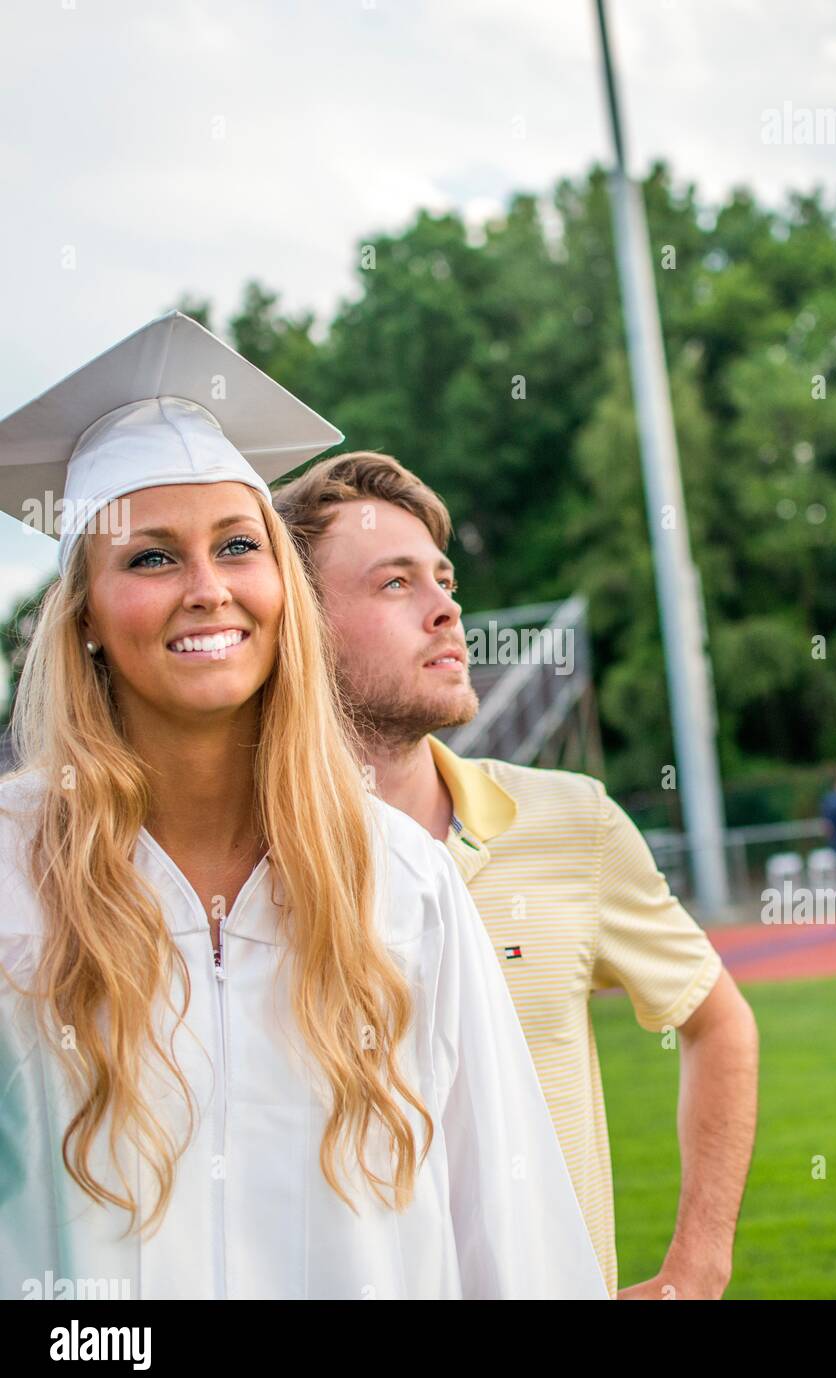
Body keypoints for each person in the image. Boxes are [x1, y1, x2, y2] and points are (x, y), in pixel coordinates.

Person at [0, 313, 608, 1301]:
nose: (208, 589)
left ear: (282, 587)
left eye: (238, 547)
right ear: (87, 619)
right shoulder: (11, 879)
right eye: (150, 557)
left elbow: (507, 1222)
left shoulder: (400, 881)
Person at [273, 450, 760, 1301]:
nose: (446, 609)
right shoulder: (240, 863)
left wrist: (696, 1271)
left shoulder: (575, 823)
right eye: (396, 584)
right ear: (301, 629)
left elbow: (719, 1024)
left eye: (444, 578)